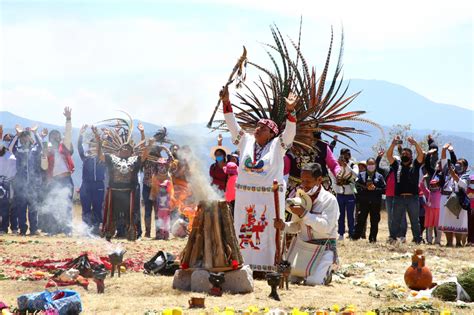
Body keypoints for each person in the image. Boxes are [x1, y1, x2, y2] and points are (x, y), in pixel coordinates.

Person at [220, 85, 296, 272]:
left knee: (267, 230)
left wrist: (290, 112)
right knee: (244, 228)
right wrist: (226, 102)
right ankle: (243, 264)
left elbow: (290, 133)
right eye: (257, 127)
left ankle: (268, 267)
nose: (258, 130)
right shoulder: (245, 141)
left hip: (269, 198)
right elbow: (232, 125)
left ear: (272, 133)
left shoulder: (279, 145)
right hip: (245, 197)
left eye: (263, 128)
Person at [274, 163, 339, 285]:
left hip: (323, 249)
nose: (304, 185)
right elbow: (297, 226)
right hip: (303, 247)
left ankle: (327, 271)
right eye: (302, 181)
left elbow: (325, 227)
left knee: (313, 282)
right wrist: (284, 226)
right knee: (288, 279)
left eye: (308, 181)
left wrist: (304, 214)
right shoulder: (300, 198)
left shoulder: (329, 200)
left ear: (319, 180)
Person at [94, 122, 148, 242]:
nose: (125, 149)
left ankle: (132, 233)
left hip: (129, 193)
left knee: (130, 214)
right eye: (123, 147)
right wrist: (98, 141)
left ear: (132, 151)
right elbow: (100, 156)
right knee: (111, 214)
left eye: (128, 148)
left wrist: (142, 133)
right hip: (114, 192)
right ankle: (108, 232)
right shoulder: (112, 158)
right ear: (118, 151)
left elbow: (144, 154)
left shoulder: (135, 159)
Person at [40, 107, 75, 236]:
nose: (55, 136)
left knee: (66, 205)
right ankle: (53, 230)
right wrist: (43, 156)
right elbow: (44, 167)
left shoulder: (64, 145)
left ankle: (68, 230)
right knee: (54, 205)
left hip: (66, 179)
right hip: (54, 181)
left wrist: (68, 119)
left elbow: (69, 132)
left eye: (57, 135)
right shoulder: (47, 151)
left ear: (59, 137)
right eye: (52, 135)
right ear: (50, 138)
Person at [387, 136, 424, 244]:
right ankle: (392, 238)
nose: (405, 155)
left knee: (414, 221)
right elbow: (388, 155)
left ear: (411, 156)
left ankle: (417, 239)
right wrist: (393, 144)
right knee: (395, 220)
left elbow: (421, 155)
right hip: (398, 198)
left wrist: (415, 143)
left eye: (407, 154)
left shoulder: (416, 165)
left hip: (413, 198)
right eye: (403, 154)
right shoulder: (396, 165)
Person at [9, 125, 45, 235]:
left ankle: (34, 229)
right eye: (22, 137)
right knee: (21, 209)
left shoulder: (35, 150)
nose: (24, 139)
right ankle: (23, 230)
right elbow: (10, 148)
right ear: (20, 139)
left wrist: (35, 133)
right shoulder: (18, 150)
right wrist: (17, 135)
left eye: (26, 137)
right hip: (21, 185)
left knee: (33, 208)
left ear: (30, 138)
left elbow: (42, 146)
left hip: (33, 184)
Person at [438, 144, 469, 247]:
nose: (458, 165)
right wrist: (444, 149)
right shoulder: (448, 172)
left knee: (458, 222)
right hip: (448, 199)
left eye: (460, 164)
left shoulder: (465, 175)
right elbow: (443, 160)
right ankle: (449, 242)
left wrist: (454, 175)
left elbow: (463, 185)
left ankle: (459, 243)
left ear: (465, 167)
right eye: (457, 163)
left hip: (459, 200)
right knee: (447, 221)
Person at [78, 124, 106, 235]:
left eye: (96, 145)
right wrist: (80, 135)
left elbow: (101, 147)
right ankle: (86, 230)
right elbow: (79, 147)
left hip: (98, 185)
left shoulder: (102, 158)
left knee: (97, 208)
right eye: (92, 144)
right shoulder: (85, 157)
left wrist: (97, 136)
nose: (94, 147)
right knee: (86, 208)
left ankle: (95, 230)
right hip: (86, 185)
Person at [376, 149, 407, 242]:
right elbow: (377, 167)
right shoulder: (387, 170)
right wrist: (379, 157)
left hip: (400, 196)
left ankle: (402, 235)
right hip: (389, 196)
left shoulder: (402, 171)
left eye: (397, 161)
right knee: (391, 216)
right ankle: (392, 235)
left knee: (401, 216)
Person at [353, 158, 386, 243]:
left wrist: (375, 189)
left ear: (375, 165)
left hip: (375, 202)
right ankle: (356, 237)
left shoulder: (380, 176)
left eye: (372, 164)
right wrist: (364, 190)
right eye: (369, 164)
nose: (371, 166)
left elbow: (384, 189)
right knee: (360, 220)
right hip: (364, 202)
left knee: (374, 221)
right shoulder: (361, 175)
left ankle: (372, 238)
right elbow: (356, 187)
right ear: (367, 165)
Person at [334, 148, 359, 240]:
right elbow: (333, 175)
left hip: (350, 193)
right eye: (344, 154)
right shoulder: (336, 165)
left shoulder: (353, 164)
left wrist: (346, 166)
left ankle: (351, 233)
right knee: (340, 215)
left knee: (350, 215)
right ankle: (341, 233)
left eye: (348, 154)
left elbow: (355, 175)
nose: (346, 156)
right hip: (340, 193)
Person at [0, 125, 17, 234]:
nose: (7, 141)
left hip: (13, 183)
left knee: (13, 206)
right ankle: (3, 228)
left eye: (9, 139)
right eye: (5, 139)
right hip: (2, 182)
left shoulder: (14, 154)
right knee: (3, 206)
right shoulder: (1, 152)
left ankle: (14, 227)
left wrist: (17, 135)